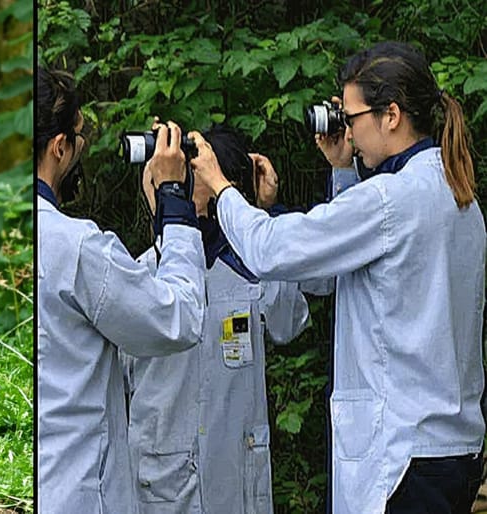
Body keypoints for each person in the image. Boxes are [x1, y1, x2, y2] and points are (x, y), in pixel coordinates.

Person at [190, 41, 486, 514]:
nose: (346, 128)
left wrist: (220, 187)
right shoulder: (457, 195)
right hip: (451, 449)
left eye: (351, 118)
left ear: (391, 115)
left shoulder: (390, 199)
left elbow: (270, 251)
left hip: (401, 456)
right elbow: (334, 274)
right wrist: (343, 171)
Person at [36, 67, 207, 514]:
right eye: (78, 136)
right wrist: (173, 201)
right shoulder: (75, 246)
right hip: (77, 492)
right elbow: (178, 319)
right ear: (59, 148)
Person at [121, 124, 312, 514]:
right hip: (165, 475)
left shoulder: (251, 270)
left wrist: (262, 214)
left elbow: (287, 324)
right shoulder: (143, 273)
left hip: (237, 469)